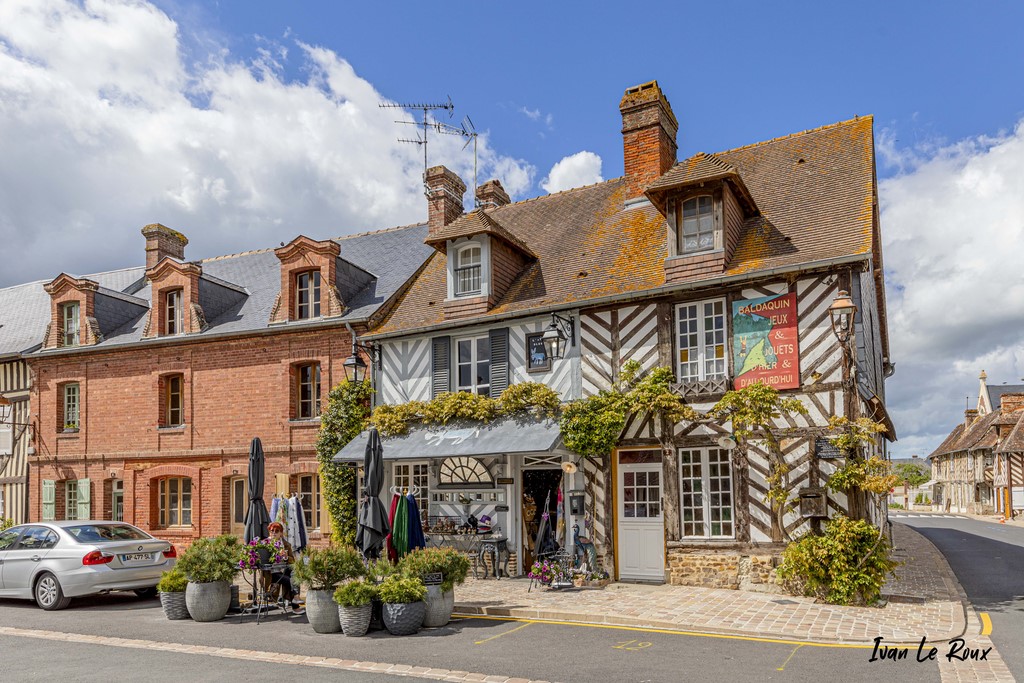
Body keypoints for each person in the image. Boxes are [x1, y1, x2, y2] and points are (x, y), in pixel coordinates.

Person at [266, 522, 303, 613]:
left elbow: (292, 561)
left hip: (284, 570)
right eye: (272, 531)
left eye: (277, 531)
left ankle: (296, 599)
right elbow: (264, 560)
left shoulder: (286, 544)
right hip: (272, 572)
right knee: (290, 581)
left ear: (281, 533)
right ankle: (296, 603)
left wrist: (286, 557)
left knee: (295, 572)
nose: (274, 533)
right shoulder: (266, 544)